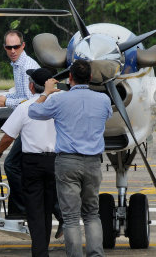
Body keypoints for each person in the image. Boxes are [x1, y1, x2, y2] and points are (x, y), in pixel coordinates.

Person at [28, 59, 112, 257]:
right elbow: (107, 116)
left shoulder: (59, 100)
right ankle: (96, 255)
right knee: (92, 213)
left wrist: (46, 92)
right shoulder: (104, 100)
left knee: (71, 217)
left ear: (70, 77)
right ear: (90, 78)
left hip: (67, 162)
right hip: (93, 162)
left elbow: (33, 112)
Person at [0, 68, 59, 257]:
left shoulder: (25, 107)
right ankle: (45, 247)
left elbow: (8, 137)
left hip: (33, 163)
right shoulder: (60, 104)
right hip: (56, 161)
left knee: (35, 210)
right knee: (48, 208)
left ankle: (40, 252)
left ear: (31, 87)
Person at [0, 30, 40, 220]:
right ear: (5, 48)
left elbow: (31, 99)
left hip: (33, 124)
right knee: (16, 165)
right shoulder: (17, 65)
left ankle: (24, 208)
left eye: (16, 47)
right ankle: (20, 209)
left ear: (23, 46)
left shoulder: (27, 67)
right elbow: (19, 95)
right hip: (28, 122)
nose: (12, 51)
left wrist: (5, 102)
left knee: (11, 164)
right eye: (9, 47)